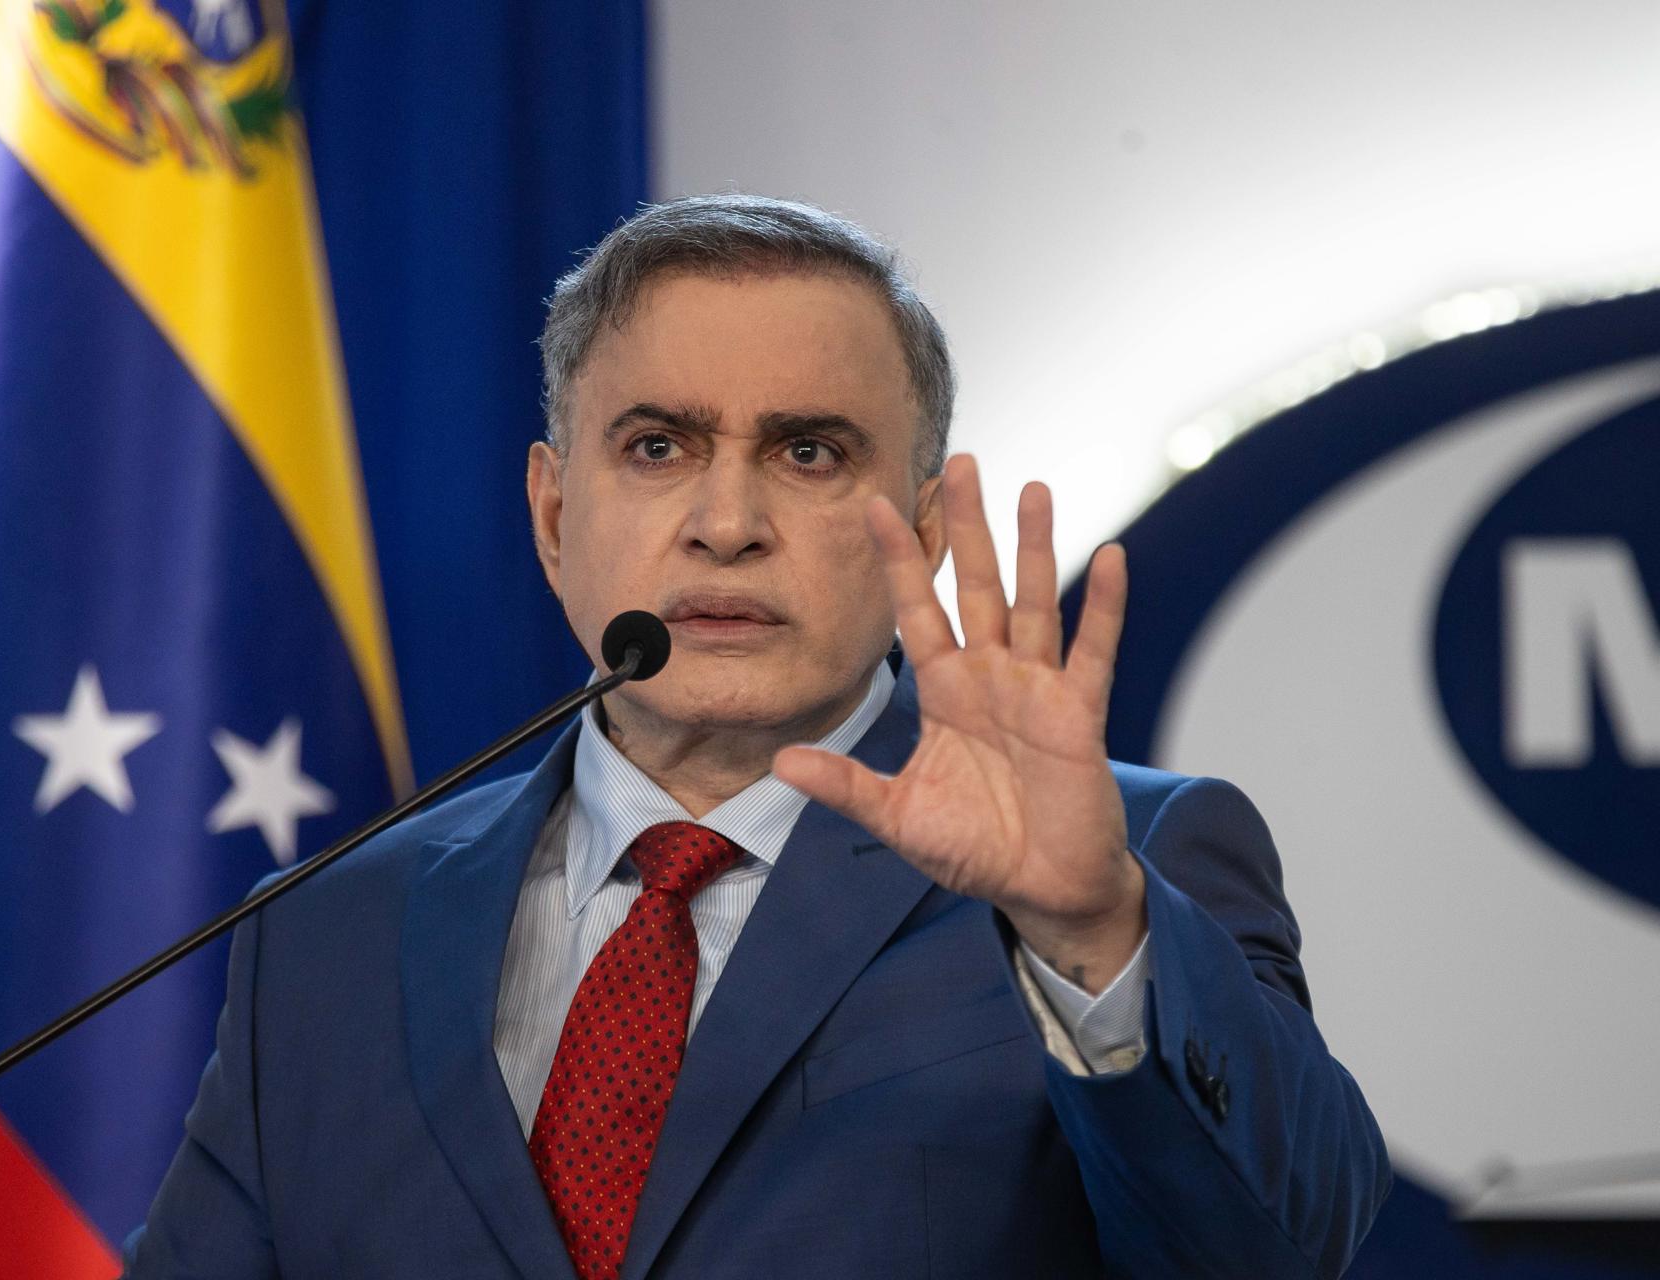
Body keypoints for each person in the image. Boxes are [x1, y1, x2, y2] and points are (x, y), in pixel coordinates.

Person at [122, 195, 1390, 1278]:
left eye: (809, 451)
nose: (726, 522)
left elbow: (1282, 1250)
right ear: (554, 515)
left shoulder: (1122, 867)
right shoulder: (328, 931)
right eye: (657, 446)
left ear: (922, 531)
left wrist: (1092, 929)